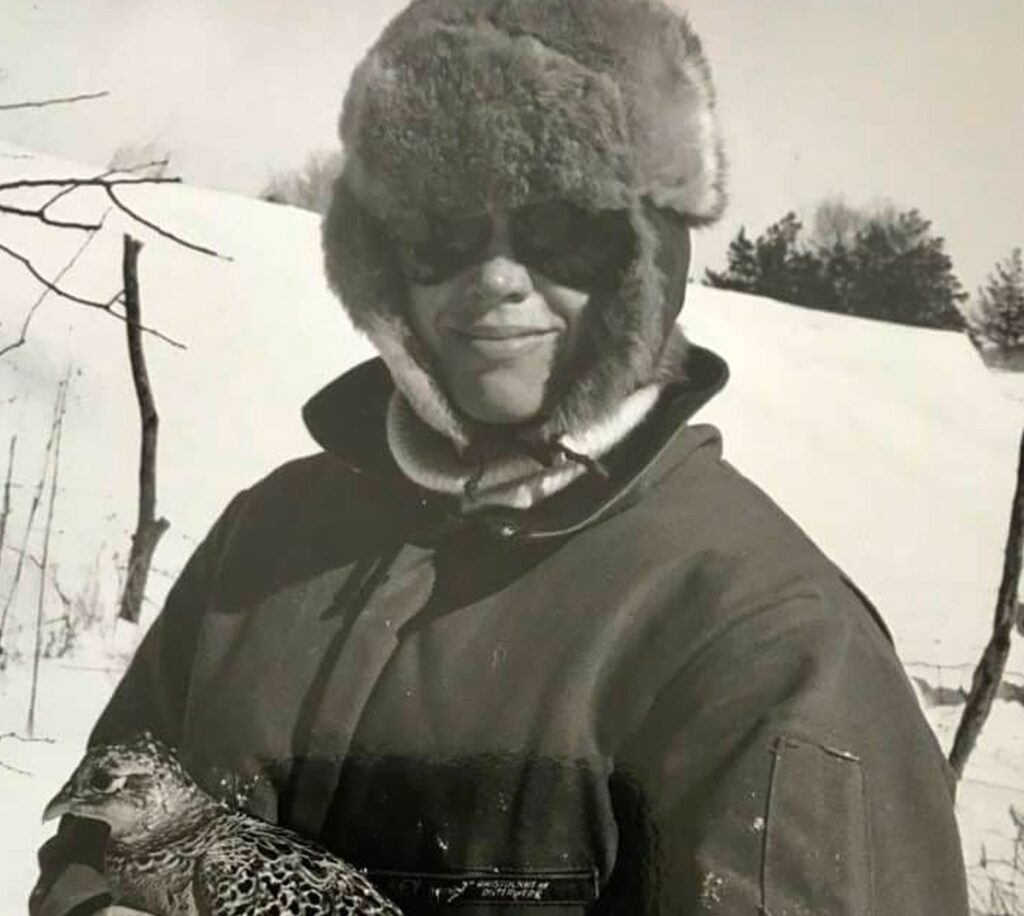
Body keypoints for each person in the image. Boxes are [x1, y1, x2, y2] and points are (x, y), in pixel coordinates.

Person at [31, 0, 970, 913]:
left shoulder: (771, 643)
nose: (494, 280)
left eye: (560, 226)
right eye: (442, 229)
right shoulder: (263, 541)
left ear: (649, 259)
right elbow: (96, 835)